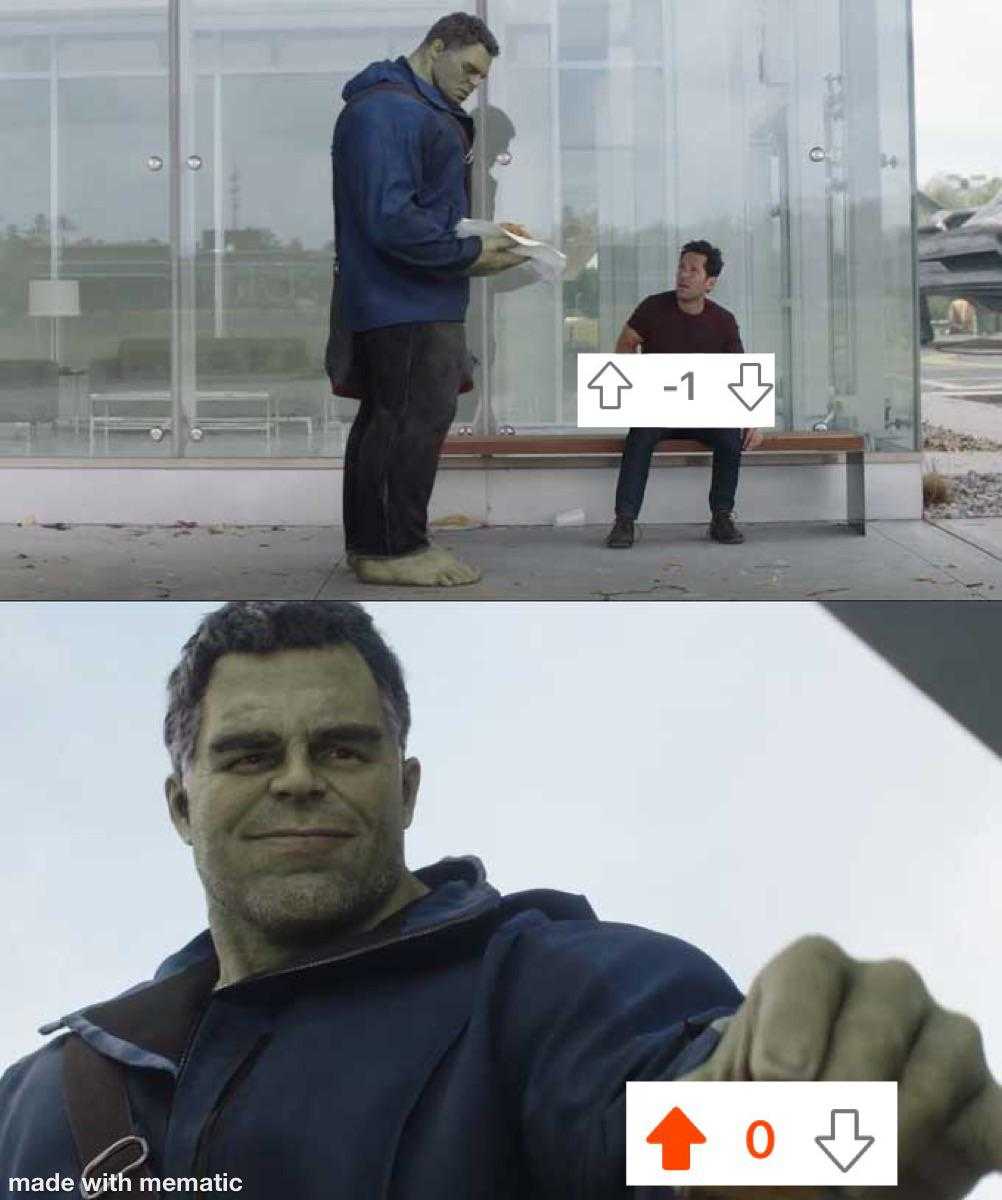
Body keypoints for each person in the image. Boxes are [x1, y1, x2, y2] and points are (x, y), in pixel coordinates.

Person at [1, 602, 1000, 1200]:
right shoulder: (40, 1099)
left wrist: (825, 1122)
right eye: (251, 755)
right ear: (183, 805)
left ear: (407, 787)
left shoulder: (543, 989)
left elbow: (666, 1128)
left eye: (343, 748)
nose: (299, 779)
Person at [328, 13, 529, 589]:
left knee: (390, 420)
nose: (473, 83)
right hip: (405, 301)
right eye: (467, 68)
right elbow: (390, 220)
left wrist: (483, 235)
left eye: (481, 76)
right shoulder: (390, 112)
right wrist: (468, 255)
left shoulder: (402, 108)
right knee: (410, 421)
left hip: (409, 296)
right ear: (435, 47)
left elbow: (413, 210)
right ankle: (394, 551)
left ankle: (378, 545)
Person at [606, 241, 765, 550]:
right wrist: (635, 390)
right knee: (639, 436)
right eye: (681, 267)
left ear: (710, 283)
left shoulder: (723, 320)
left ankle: (721, 517)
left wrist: (753, 420)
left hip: (704, 411)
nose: (684, 275)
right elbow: (625, 344)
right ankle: (624, 521)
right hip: (660, 409)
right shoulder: (653, 308)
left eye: (694, 270)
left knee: (730, 437)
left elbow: (741, 371)